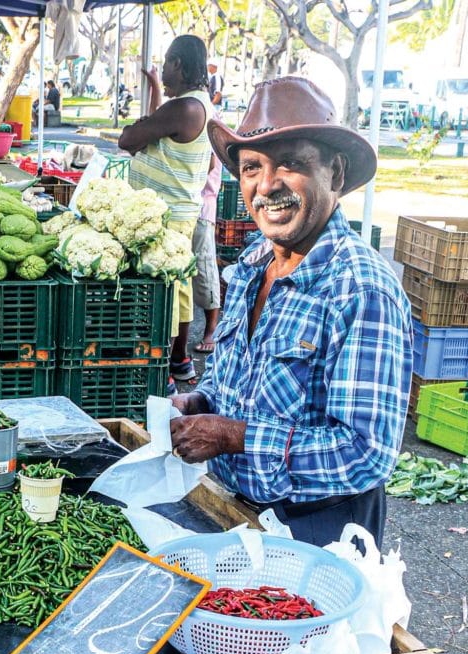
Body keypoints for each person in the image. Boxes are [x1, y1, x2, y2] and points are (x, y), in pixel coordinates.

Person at [170, 76, 411, 550]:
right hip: (237, 510)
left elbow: (365, 454)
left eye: (292, 164)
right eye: (252, 168)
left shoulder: (361, 289)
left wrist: (235, 437)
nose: (267, 185)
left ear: (336, 174)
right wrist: (202, 402)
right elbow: (237, 377)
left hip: (320, 532)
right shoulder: (252, 264)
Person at [117, 35, 214, 394]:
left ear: (178, 64)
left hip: (165, 214)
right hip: (181, 212)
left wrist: (141, 129)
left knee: (163, 292)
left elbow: (127, 139)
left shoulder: (185, 107)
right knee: (180, 287)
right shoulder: (198, 104)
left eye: (167, 66)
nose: (165, 74)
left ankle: (165, 375)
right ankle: (180, 360)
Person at [192, 133, 223, 355]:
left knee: (204, 269)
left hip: (201, 206)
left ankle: (212, 330)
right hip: (187, 207)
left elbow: (210, 162)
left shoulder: (205, 116)